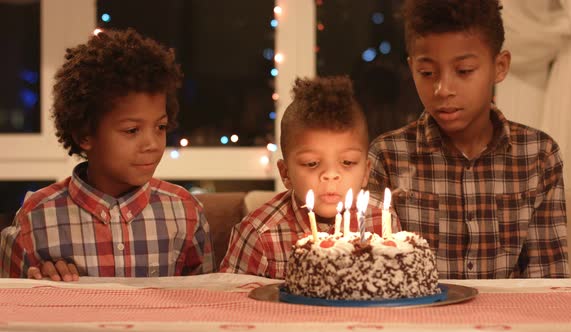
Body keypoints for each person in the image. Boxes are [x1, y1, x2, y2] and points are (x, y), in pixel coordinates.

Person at [368, 0, 569, 278]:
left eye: (463, 71)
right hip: (417, 319)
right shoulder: (388, 155)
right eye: (427, 73)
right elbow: (377, 275)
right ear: (412, 67)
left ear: (499, 66)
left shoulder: (538, 155)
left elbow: (548, 280)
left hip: (510, 319)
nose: (442, 89)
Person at [0, 28, 214, 280]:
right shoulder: (35, 220)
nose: (153, 144)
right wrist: (44, 286)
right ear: (84, 135)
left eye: (161, 127)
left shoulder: (186, 212)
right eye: (132, 130)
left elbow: (207, 301)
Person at [220, 76, 387, 279]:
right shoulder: (259, 235)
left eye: (348, 162)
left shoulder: (382, 222)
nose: (330, 175)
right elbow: (232, 303)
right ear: (285, 173)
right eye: (311, 164)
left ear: (366, 171)